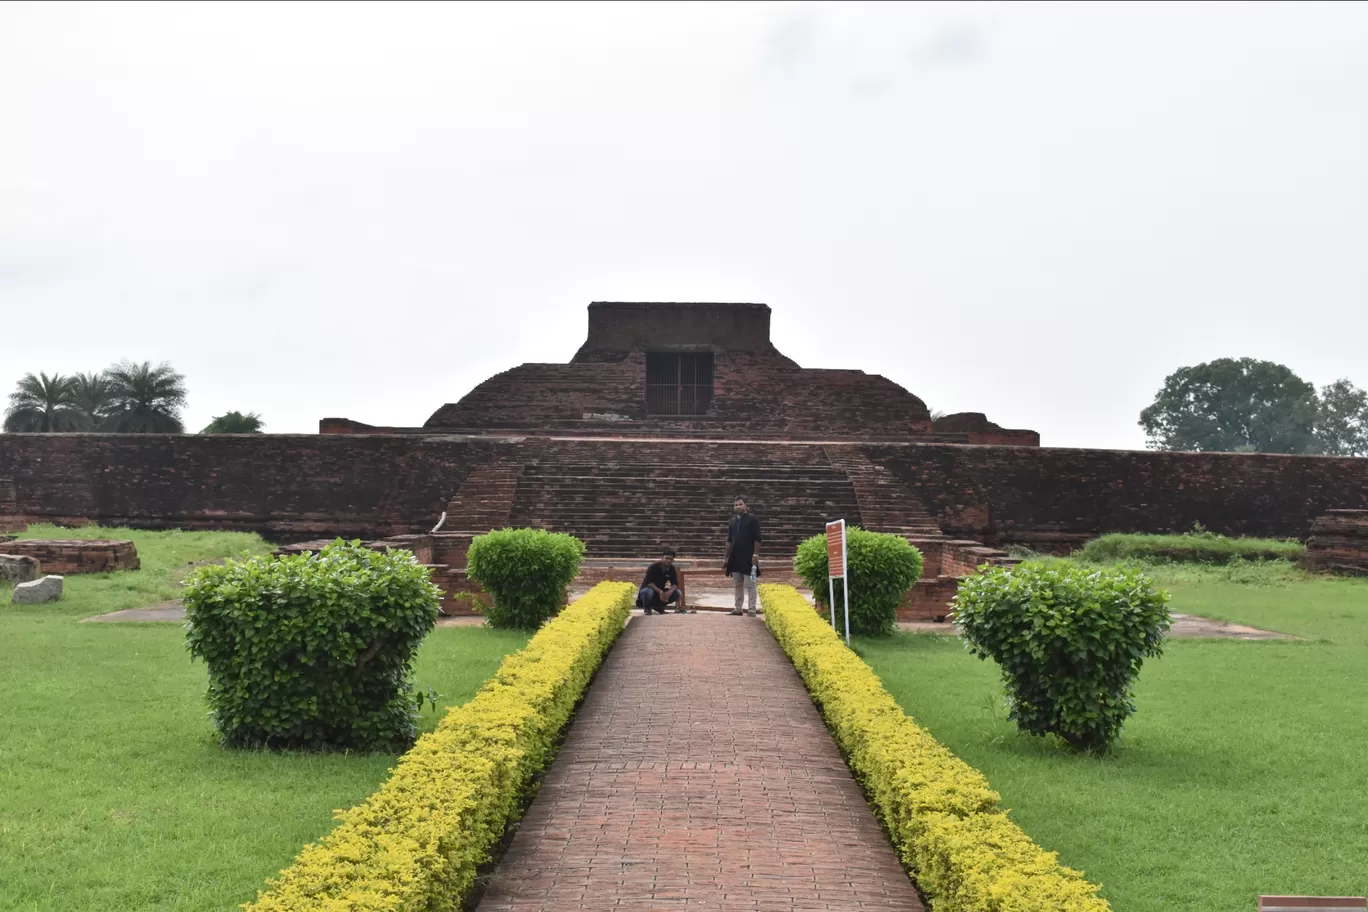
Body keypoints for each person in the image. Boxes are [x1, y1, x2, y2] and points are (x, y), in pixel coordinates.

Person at [723, 496, 761, 617]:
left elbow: (757, 538)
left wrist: (755, 554)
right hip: (735, 557)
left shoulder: (752, 520)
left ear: (745, 506)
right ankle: (738, 608)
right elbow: (729, 541)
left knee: (750, 584)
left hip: (748, 557)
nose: (738, 506)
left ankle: (751, 610)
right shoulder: (733, 522)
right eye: (736, 505)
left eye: (740, 504)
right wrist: (726, 558)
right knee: (737, 584)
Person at [638, 547, 688, 615]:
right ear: (662, 558)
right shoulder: (653, 567)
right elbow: (649, 583)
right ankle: (647, 608)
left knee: (677, 592)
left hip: (660, 593)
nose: (668, 560)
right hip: (649, 590)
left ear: (673, 560)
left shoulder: (671, 568)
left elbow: (675, 584)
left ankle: (663, 607)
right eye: (666, 558)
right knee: (647, 592)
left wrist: (669, 592)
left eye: (670, 559)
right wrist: (660, 591)